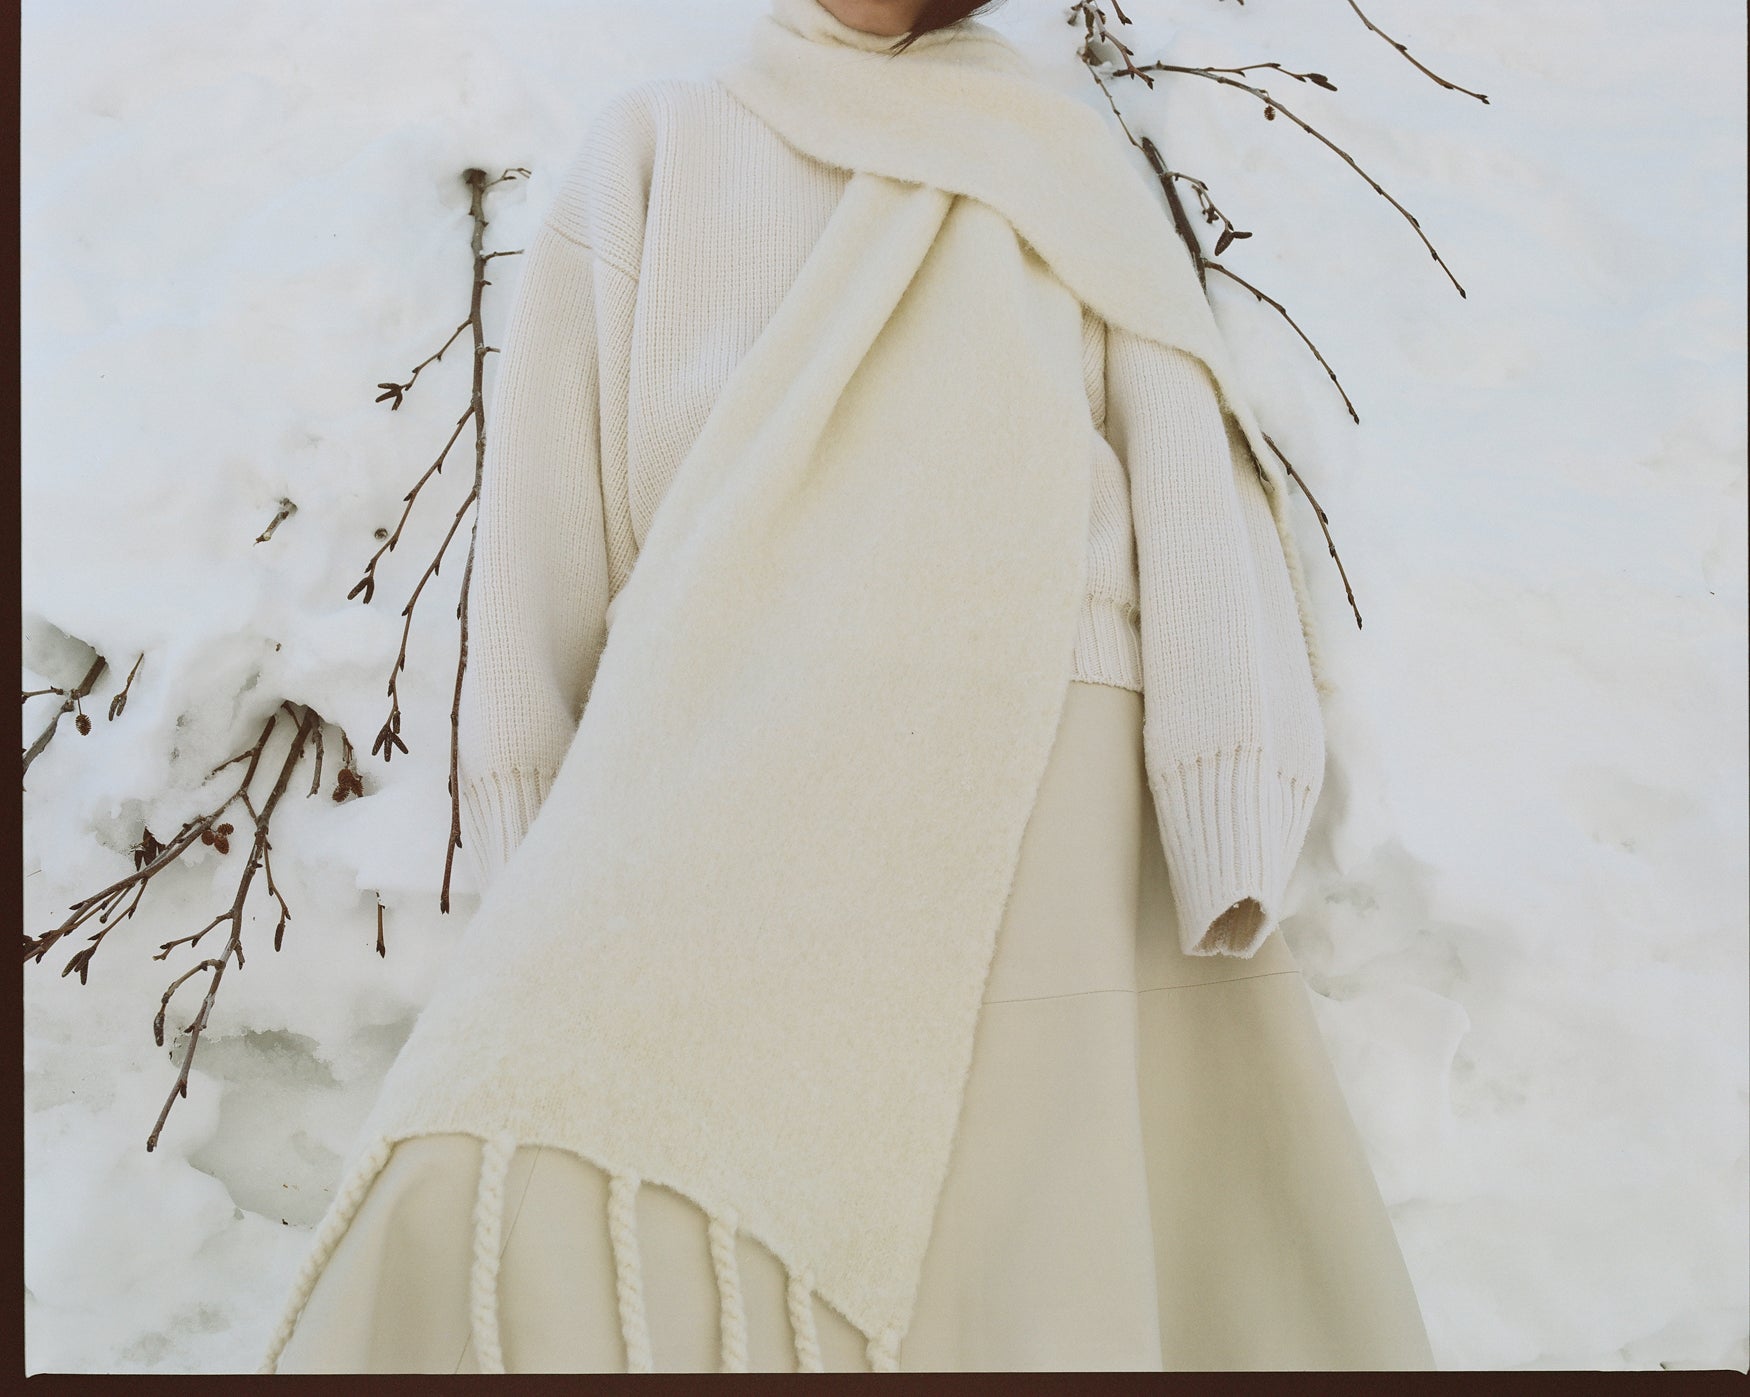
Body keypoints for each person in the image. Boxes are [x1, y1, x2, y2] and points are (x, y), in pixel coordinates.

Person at [259, 0, 1435, 1372]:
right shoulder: (657, 145)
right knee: (516, 1140)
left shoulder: (1052, 154)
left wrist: (1226, 780)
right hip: (725, 717)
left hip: (1034, 733)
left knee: (1019, 1221)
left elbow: (1186, 469)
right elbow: (546, 513)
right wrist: (539, 824)